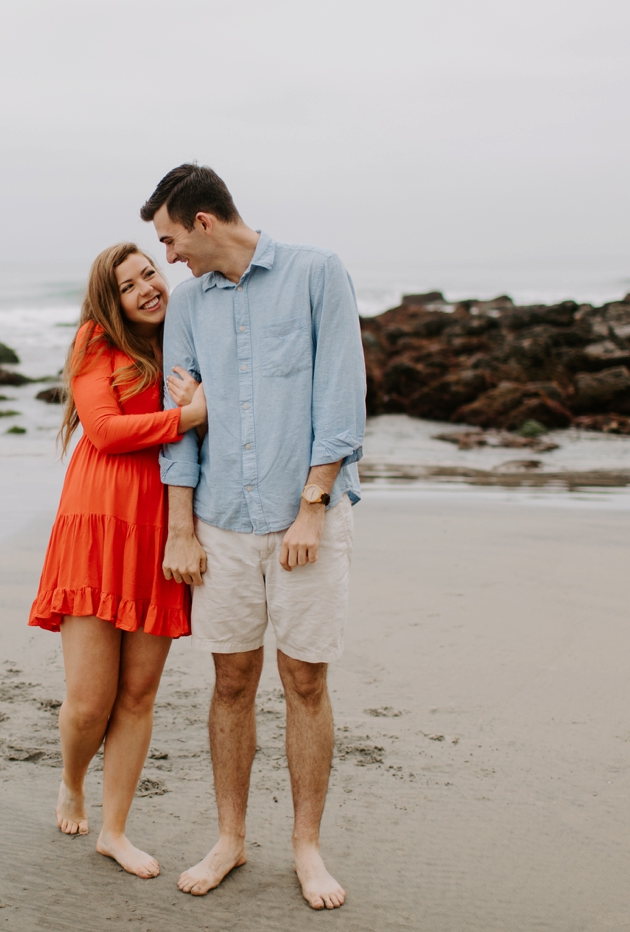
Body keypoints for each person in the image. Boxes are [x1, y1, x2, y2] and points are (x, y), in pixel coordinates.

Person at [144, 164, 367, 910]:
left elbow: (340, 397)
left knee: (305, 681)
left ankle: (307, 847)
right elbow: (181, 429)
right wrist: (182, 531)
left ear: (204, 222)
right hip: (220, 523)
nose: (168, 256)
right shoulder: (186, 304)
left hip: (306, 515)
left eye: (171, 239)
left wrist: (312, 505)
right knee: (231, 681)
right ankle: (231, 839)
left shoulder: (316, 274)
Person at [28, 241, 206, 879]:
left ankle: (115, 831)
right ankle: (72, 781)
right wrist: (186, 415)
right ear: (112, 300)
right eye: (130, 285)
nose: (147, 289)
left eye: (150, 274)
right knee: (87, 702)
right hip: (97, 531)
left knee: (137, 695)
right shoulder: (94, 342)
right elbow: (101, 430)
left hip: (159, 532)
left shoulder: (183, 341)